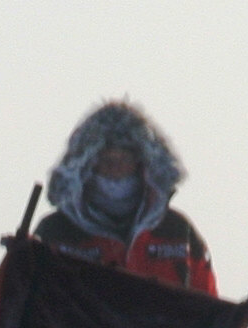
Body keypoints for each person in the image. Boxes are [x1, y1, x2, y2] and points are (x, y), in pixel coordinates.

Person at [33, 100, 217, 294]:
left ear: (142, 164)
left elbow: (211, 308)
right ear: (87, 166)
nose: (115, 168)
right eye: (106, 160)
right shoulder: (56, 232)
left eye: (124, 159)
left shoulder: (177, 232)